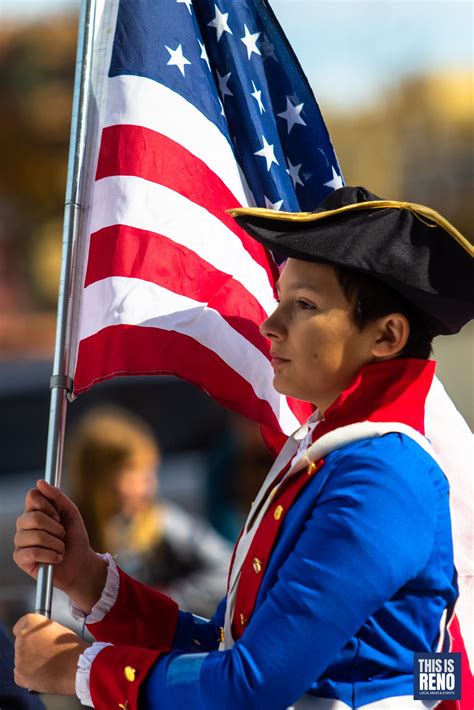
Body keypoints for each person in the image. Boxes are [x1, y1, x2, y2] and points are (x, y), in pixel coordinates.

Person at [12, 187, 473, 709]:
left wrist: (79, 670)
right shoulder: (343, 457)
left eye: (303, 305)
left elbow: (251, 684)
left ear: (387, 335)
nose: (270, 326)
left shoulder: (380, 478)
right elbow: (231, 648)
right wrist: (89, 579)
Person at [65, 406, 232, 618]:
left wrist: (165, 601)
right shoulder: (74, 535)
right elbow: (56, 606)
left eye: (149, 473)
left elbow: (229, 569)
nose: (148, 487)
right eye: (133, 475)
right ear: (97, 480)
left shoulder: (162, 523)